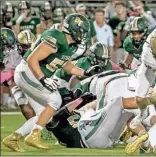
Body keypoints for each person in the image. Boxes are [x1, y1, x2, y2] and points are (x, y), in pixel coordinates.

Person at [2, 13, 99, 151]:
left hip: (34, 75)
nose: (84, 36)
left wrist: (85, 72)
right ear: (72, 29)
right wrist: (43, 78)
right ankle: (34, 136)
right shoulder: (57, 38)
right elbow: (32, 59)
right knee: (55, 100)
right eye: (81, 32)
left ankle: (13, 138)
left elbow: (67, 66)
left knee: (45, 115)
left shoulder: (70, 45)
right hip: (27, 72)